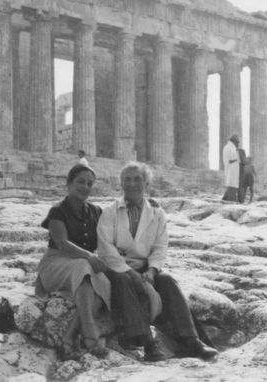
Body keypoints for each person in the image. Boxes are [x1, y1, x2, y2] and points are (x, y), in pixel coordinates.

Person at [96, 161, 219, 361]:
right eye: (127, 179)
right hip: (117, 267)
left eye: (137, 179)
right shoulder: (109, 212)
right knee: (123, 280)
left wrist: (152, 271)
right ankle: (148, 343)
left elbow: (160, 247)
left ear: (146, 183)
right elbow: (105, 248)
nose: (132, 184)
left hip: (146, 267)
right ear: (121, 184)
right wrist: (130, 272)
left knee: (168, 280)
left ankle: (191, 340)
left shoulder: (157, 213)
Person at [35, 164, 112, 358]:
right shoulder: (57, 210)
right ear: (68, 184)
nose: (85, 187)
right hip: (55, 264)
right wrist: (89, 256)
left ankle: (68, 338)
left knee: (103, 283)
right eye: (80, 182)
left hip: (81, 267)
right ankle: (90, 332)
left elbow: (109, 238)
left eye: (89, 184)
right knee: (85, 267)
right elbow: (62, 243)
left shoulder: (97, 212)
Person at [221, 134, 240, 202]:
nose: (238, 143)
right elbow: (229, 159)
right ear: (234, 141)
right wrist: (236, 160)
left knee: (232, 184)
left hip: (233, 169)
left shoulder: (231, 147)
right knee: (232, 184)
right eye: (237, 142)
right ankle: (230, 199)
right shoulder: (229, 147)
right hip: (231, 169)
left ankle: (227, 198)